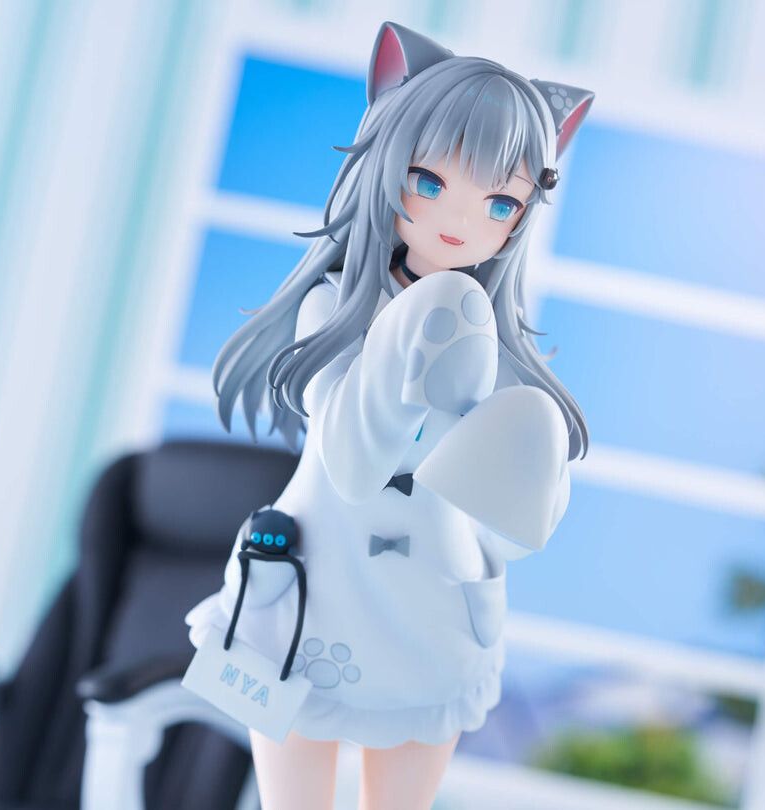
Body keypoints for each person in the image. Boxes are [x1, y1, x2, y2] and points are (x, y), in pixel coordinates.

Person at [184, 21, 594, 809]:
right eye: (430, 182)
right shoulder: (332, 310)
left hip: (431, 608)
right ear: (386, 165)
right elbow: (352, 456)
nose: (459, 220)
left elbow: (511, 517)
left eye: (499, 202)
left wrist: (508, 505)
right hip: (313, 591)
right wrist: (419, 333)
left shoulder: (496, 351)